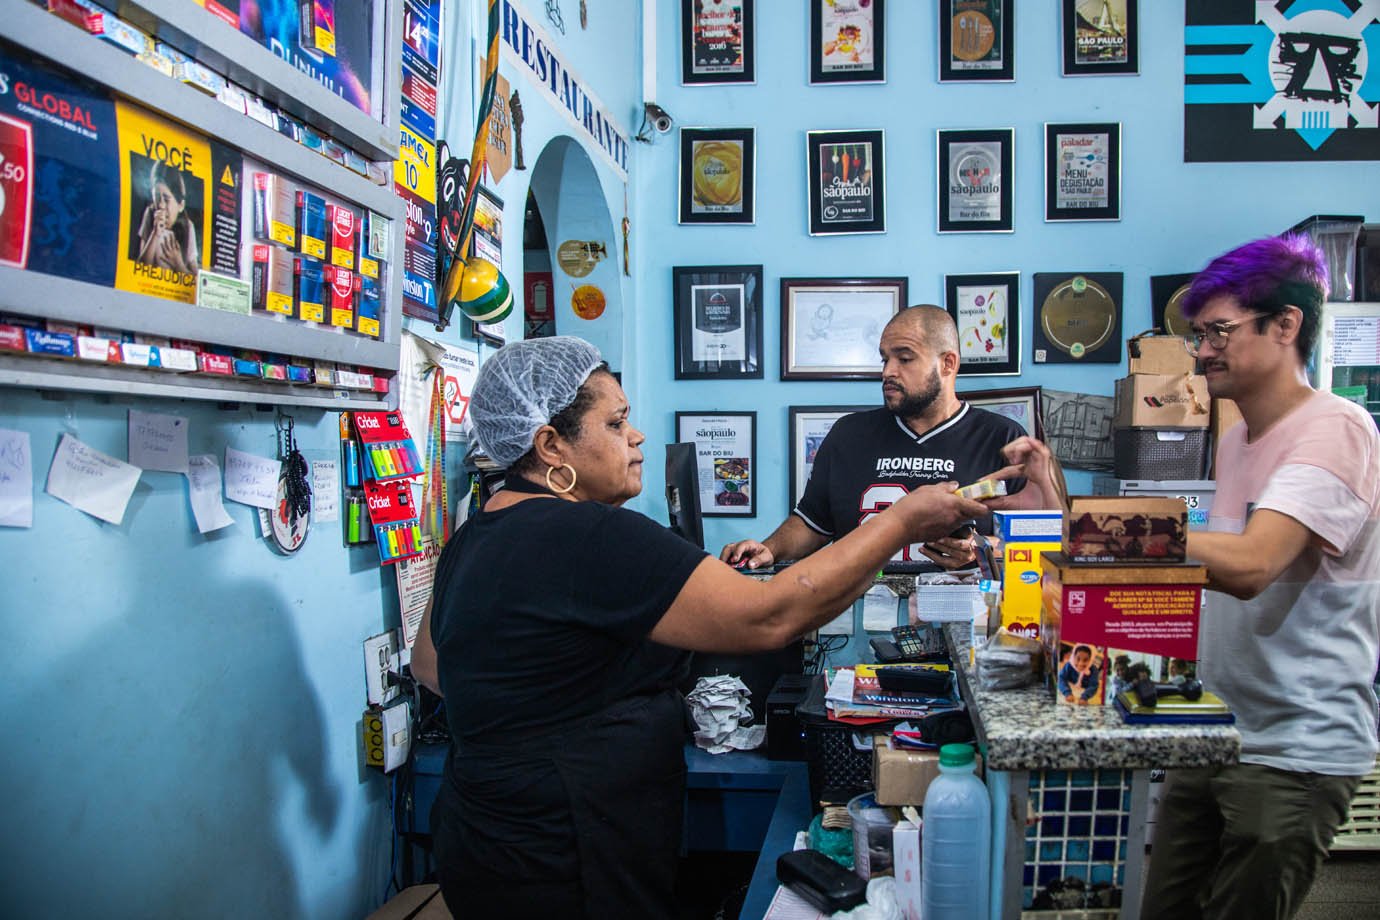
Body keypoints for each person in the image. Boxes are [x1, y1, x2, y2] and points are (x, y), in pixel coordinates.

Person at [408, 336, 1050, 918]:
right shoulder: (591, 535)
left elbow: (432, 665)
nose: (636, 437)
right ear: (551, 446)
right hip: (573, 851)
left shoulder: (477, 532)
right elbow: (772, 616)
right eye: (616, 422)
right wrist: (902, 522)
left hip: (485, 836)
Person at [1140, 234, 1380, 920]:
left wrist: (1115, 528)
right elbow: (1211, 569)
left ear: (1286, 325)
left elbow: (1250, 566)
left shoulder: (1336, 429)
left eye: (1218, 330)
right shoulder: (1240, 435)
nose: (1203, 350)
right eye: (1197, 335)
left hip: (1293, 751)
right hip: (1217, 730)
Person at [722, 304, 1067, 572]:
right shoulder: (849, 434)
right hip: (855, 618)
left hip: (964, 622)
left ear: (948, 364)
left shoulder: (1002, 436)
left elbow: (1043, 540)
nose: (888, 371)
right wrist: (771, 548)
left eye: (904, 358)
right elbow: (813, 521)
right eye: (885, 358)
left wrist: (984, 550)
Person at [135, 159, 198, 275]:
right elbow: (140, 267)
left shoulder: (188, 226)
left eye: (167, 199)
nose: (161, 205)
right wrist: (155, 234)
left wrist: (178, 264)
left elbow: (195, 279)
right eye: (157, 197)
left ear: (180, 205)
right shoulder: (150, 214)